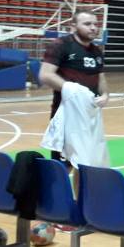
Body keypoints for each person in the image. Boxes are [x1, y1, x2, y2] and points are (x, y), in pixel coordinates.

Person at [40, 9, 109, 164]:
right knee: (64, 165)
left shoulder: (97, 51)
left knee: (85, 164)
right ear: (73, 26)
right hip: (66, 116)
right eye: (87, 24)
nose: (93, 28)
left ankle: (80, 182)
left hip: (90, 117)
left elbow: (101, 78)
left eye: (95, 24)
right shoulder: (60, 45)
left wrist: (105, 95)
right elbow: (46, 75)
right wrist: (74, 90)